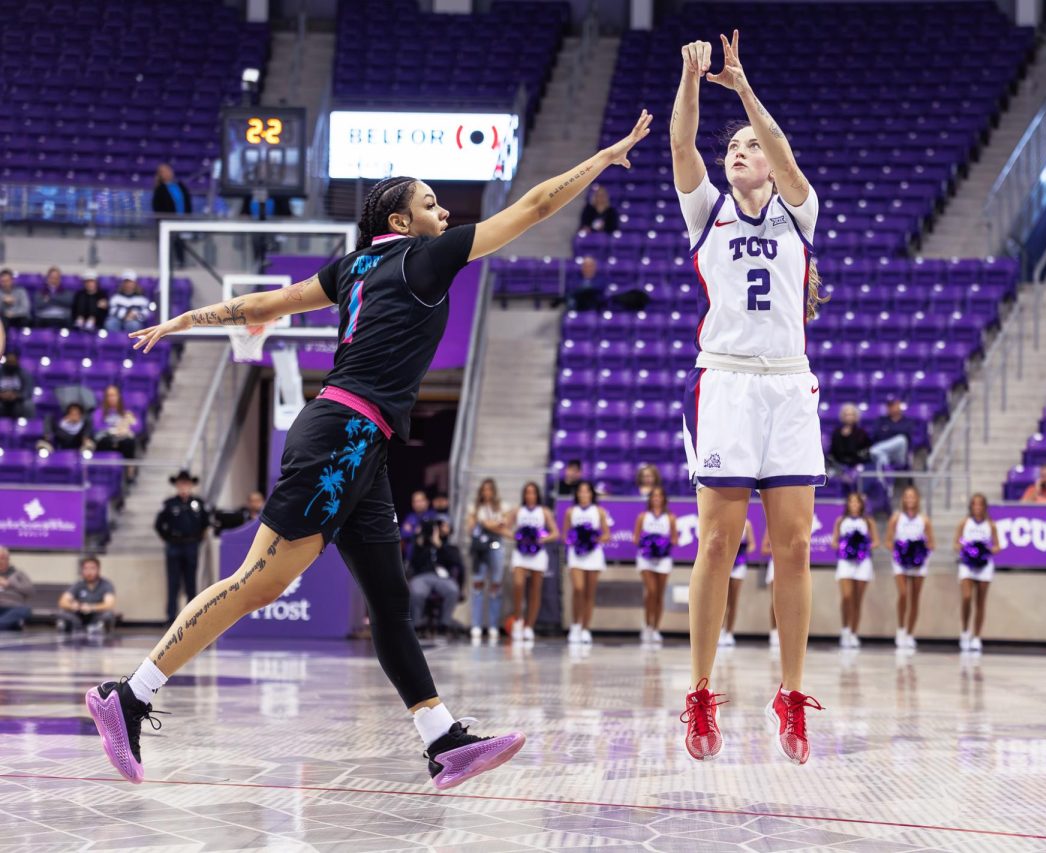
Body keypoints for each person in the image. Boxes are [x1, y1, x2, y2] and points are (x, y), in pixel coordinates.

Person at [84, 111, 652, 790]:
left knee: (389, 600)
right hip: (342, 435)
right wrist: (602, 156)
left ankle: (442, 739)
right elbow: (532, 206)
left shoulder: (353, 266)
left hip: (364, 445)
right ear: (404, 222)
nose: (443, 211)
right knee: (257, 583)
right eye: (431, 202)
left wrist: (189, 318)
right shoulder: (423, 257)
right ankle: (130, 693)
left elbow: (271, 302)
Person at [671, 30, 826, 763]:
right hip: (727, 380)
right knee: (717, 542)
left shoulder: (800, 209)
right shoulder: (707, 212)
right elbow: (680, 148)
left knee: (793, 546)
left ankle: (790, 694)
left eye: (747, 145)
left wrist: (745, 90)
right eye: (731, 146)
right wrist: (694, 82)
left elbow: (784, 151)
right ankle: (700, 692)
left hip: (789, 381)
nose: (738, 151)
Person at [153, 469, 210, 623]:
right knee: (173, 583)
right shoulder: (169, 504)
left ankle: (191, 617)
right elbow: (158, 525)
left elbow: (206, 523)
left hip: (191, 545)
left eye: (186, 483)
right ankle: (171, 617)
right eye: (181, 484)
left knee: (191, 582)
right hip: (174, 546)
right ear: (177, 485)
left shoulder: (198, 503)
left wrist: (197, 539)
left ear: (191, 485)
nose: (184, 486)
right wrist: (168, 538)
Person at [506, 481, 558, 644]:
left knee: (535, 590)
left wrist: (542, 538)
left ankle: (530, 626)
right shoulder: (517, 511)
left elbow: (555, 533)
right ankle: (518, 620)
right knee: (518, 584)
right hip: (521, 552)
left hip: (538, 553)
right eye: (527, 492)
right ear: (524, 495)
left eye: (533, 492)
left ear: (537, 495)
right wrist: (516, 536)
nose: (530, 495)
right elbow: (505, 528)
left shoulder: (544, 511)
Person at [886, 485, 935, 650]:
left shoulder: (924, 519)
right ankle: (900, 630)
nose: (910, 499)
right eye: (907, 496)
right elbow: (888, 541)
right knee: (903, 594)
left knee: (915, 598)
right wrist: (901, 551)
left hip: (919, 562)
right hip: (900, 561)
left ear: (917, 499)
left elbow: (931, 542)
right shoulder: (896, 518)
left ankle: (910, 633)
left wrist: (920, 553)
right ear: (903, 499)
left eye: (912, 496)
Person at [955, 494, 1002, 653]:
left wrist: (986, 550)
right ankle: (965, 631)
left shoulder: (991, 525)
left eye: (980, 504)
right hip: (967, 564)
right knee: (967, 597)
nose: (977, 507)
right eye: (974, 504)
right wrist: (967, 548)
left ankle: (976, 637)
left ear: (984, 507)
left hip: (984, 565)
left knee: (980, 602)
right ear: (971, 506)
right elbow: (957, 542)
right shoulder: (964, 523)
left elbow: (997, 546)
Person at [564, 480, 610, 644]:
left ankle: (585, 628)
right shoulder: (571, 511)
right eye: (580, 491)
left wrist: (593, 538)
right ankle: (575, 624)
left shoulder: (599, 511)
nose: (583, 494)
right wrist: (576, 539)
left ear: (592, 494)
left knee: (589, 593)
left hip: (593, 554)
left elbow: (606, 534)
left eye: (587, 491)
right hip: (576, 554)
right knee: (578, 589)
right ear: (577, 494)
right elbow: (565, 535)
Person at [834, 492, 878, 649]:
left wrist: (862, 546)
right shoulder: (841, 520)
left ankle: (854, 633)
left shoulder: (867, 521)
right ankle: (844, 629)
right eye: (851, 501)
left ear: (861, 504)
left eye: (856, 502)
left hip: (863, 562)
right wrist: (847, 545)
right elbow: (834, 542)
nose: (854, 504)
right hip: (845, 562)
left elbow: (876, 542)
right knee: (846, 597)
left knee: (857, 600)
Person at [466, 478, 507, 644]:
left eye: (490, 489)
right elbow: (470, 528)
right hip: (480, 549)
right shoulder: (475, 508)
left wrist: (486, 523)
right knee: (478, 584)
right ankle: (476, 624)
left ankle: (493, 624)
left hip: (496, 546)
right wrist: (489, 523)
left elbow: (503, 527)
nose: (487, 493)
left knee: (496, 585)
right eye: (484, 489)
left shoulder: (501, 507)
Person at [407, 513, 463, 635]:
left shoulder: (450, 547)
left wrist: (439, 545)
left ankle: (444, 625)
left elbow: (455, 562)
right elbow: (413, 562)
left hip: (443, 578)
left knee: (452, 590)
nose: (438, 529)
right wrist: (419, 543)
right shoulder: (421, 545)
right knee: (417, 592)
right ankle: (417, 625)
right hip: (422, 576)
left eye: (442, 525)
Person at [635, 485, 677, 644]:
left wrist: (662, 543)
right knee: (651, 591)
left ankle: (656, 628)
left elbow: (675, 539)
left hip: (663, 559)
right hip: (646, 559)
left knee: (659, 594)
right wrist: (649, 542)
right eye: (654, 496)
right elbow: (635, 538)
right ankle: (647, 625)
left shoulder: (670, 517)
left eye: (659, 496)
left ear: (664, 499)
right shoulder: (642, 516)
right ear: (650, 499)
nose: (656, 498)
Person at [58, 555, 117, 637]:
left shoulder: (106, 584)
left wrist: (92, 607)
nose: (89, 572)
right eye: (86, 568)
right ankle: (74, 629)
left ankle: (97, 629)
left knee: (108, 614)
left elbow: (109, 604)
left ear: (98, 570)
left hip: (96, 615)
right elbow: (62, 602)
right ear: (82, 570)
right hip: (80, 615)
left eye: (92, 568)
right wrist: (73, 606)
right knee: (63, 613)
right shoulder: (78, 584)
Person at [719, 518, 756, 648]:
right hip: (724, 563)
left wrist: (744, 550)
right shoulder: (725, 520)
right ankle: (719, 631)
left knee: (733, 600)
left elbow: (752, 544)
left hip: (739, 564)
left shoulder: (747, 524)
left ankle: (729, 632)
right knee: (722, 599)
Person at [93, 384, 139, 459]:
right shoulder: (99, 412)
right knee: (104, 441)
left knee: (129, 442)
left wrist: (128, 429)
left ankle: (129, 468)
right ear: (105, 398)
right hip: (106, 439)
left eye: (114, 395)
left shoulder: (126, 412)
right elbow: (96, 427)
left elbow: (137, 427)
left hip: (123, 439)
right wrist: (113, 430)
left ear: (119, 397)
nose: (112, 398)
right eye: (109, 396)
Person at [868, 399, 914, 472]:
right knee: (881, 456)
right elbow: (875, 436)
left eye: (893, 405)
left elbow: (909, 440)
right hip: (884, 452)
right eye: (889, 406)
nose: (891, 408)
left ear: (899, 405)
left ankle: (874, 451)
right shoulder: (880, 420)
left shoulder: (907, 421)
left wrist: (888, 431)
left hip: (899, 455)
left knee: (901, 439)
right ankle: (887, 476)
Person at [829, 404, 872, 474]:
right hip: (839, 465)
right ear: (842, 416)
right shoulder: (836, 432)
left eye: (851, 414)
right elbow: (834, 452)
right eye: (846, 415)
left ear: (855, 416)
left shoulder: (861, 432)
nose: (849, 417)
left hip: (857, 464)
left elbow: (865, 451)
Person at [0, 547, 33, 631]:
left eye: (2, 558)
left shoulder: (18, 574)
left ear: (8, 559)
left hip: (14, 607)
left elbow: (30, 591)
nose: (0, 561)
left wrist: (9, 584)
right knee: (10, 626)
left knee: (25, 610)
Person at [400, 490, 438, 563]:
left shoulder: (433, 515)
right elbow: (403, 534)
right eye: (415, 501)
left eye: (420, 500)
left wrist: (413, 530)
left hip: (430, 558)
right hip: (411, 560)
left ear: (427, 502)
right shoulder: (409, 517)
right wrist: (416, 532)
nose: (418, 504)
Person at [0, 350, 33, 419]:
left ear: (17, 362)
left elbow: (28, 390)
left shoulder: (24, 373)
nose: (10, 364)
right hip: (1, 400)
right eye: (9, 362)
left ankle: (28, 427)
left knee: (28, 404)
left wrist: (17, 395)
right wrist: (2, 395)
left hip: (18, 400)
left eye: (13, 362)